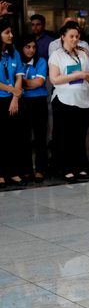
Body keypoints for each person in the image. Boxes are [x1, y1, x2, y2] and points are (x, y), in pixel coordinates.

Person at [48, 22, 89, 182]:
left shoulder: (83, 54)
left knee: (79, 136)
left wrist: (85, 75)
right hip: (64, 101)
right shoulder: (56, 55)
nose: (75, 39)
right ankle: (65, 167)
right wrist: (77, 75)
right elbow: (54, 79)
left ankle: (80, 165)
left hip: (83, 100)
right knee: (64, 136)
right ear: (63, 37)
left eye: (77, 36)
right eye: (71, 36)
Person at [17, 34, 49, 182]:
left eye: (34, 47)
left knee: (40, 136)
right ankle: (26, 170)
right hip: (23, 102)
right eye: (27, 47)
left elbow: (39, 83)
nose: (31, 50)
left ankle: (40, 169)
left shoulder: (41, 61)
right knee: (24, 137)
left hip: (39, 102)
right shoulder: (17, 61)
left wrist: (20, 82)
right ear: (21, 48)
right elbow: (31, 82)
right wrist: (28, 82)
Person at [0, 18, 26, 187]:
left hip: (13, 101)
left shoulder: (14, 52)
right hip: (1, 98)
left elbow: (19, 76)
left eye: (11, 32)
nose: (11, 35)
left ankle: (13, 171)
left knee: (13, 137)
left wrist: (15, 97)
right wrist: (12, 91)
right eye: (6, 32)